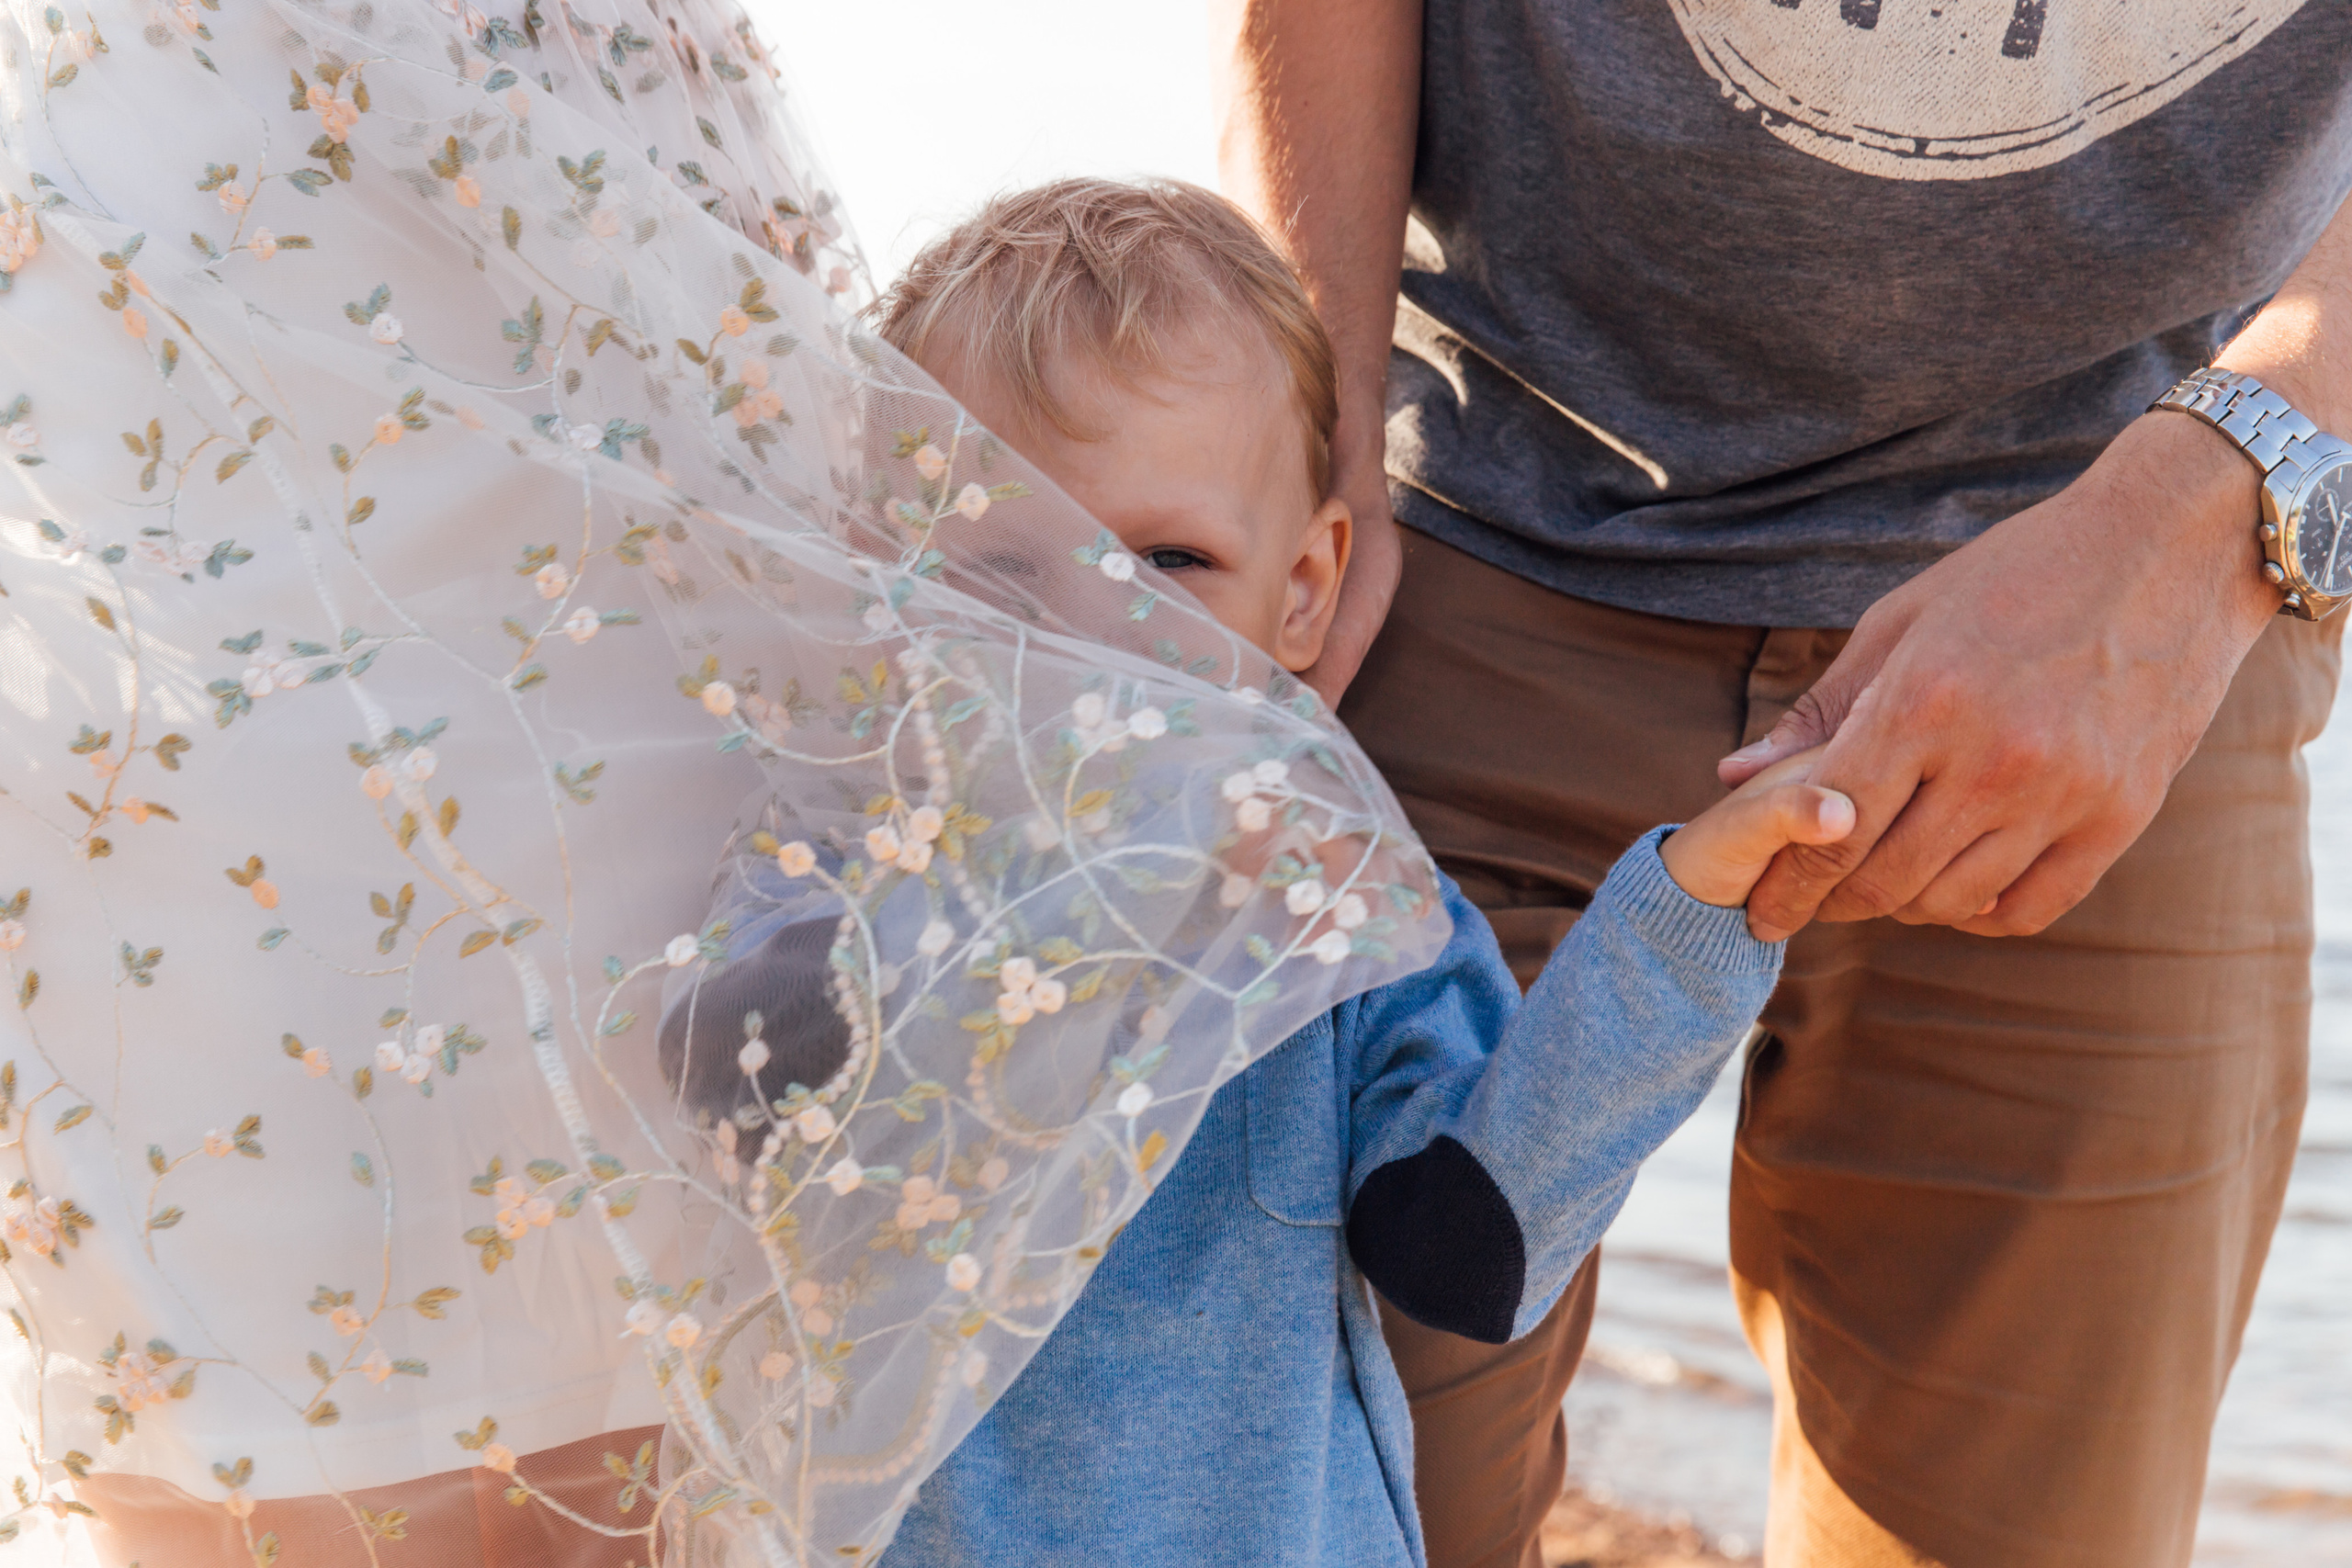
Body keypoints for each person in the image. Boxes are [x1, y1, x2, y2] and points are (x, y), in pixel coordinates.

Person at [1215, 4, 2352, 1567]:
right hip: (1459, 531)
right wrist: (1298, 411)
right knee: (1320, 1500)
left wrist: (2210, 510)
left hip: (2141, 579)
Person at [825, 175, 1853, 1565]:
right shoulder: (829, 890)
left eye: (1168, 559)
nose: (1088, 627)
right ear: (887, 577)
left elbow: (1468, 1252)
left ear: (1304, 590)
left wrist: (1683, 919)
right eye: (1007, 571)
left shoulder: (1339, 914)